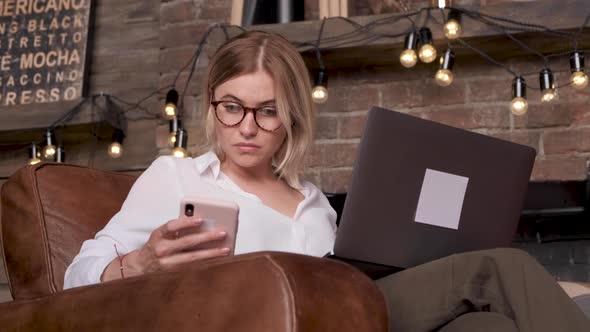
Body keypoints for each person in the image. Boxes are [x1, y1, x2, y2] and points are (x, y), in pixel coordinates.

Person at [64, 31, 589, 331]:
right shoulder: (176, 177)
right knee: (503, 264)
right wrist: (139, 263)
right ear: (212, 105)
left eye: (267, 111)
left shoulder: (315, 203)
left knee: (488, 327)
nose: (247, 127)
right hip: (275, 323)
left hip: (356, 315)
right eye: (232, 108)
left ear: (291, 115)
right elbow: (73, 278)